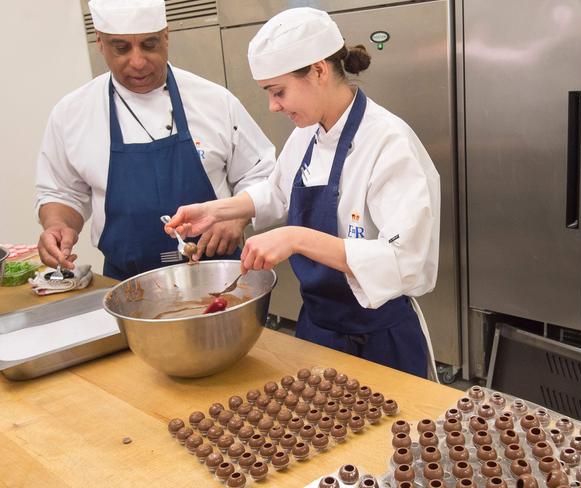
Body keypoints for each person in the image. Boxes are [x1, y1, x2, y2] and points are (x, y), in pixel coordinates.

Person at [166, 7, 440, 378]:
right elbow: (277, 193)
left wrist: (296, 238)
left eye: (278, 92)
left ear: (319, 71)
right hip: (317, 329)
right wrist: (217, 211)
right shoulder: (306, 135)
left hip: (378, 339)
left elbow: (404, 260)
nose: (272, 106)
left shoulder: (389, 143)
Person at [35, 0, 275, 280]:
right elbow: (62, 192)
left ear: (166, 36)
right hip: (128, 285)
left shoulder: (214, 102)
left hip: (222, 276)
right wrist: (58, 225)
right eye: (121, 48)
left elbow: (263, 175)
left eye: (149, 45)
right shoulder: (72, 113)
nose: (137, 61)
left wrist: (236, 217)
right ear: (100, 43)